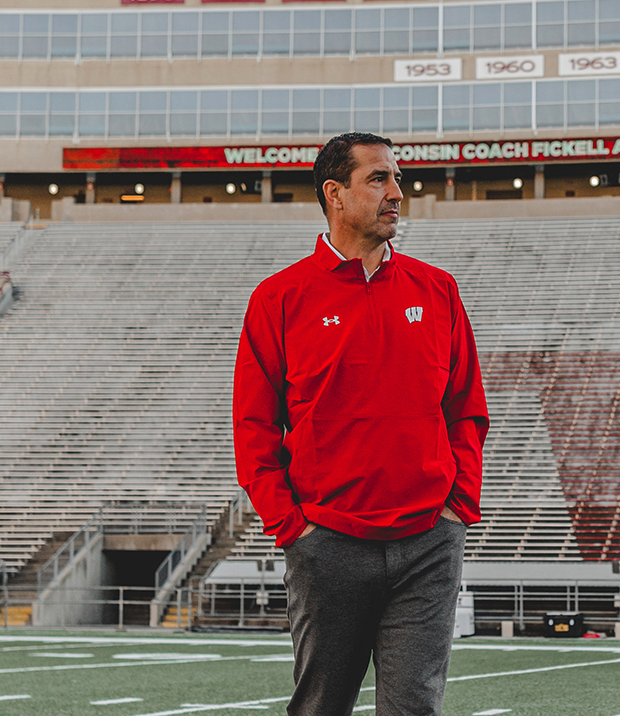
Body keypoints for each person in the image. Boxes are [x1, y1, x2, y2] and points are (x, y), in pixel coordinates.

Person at [233, 132, 490, 716]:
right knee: (322, 706)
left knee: (414, 708)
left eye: (398, 179)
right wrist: (293, 528)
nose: (397, 193)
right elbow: (253, 428)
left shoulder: (439, 290)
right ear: (335, 194)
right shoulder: (278, 299)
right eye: (379, 179)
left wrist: (457, 509)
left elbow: (466, 409)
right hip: (327, 543)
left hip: (428, 539)